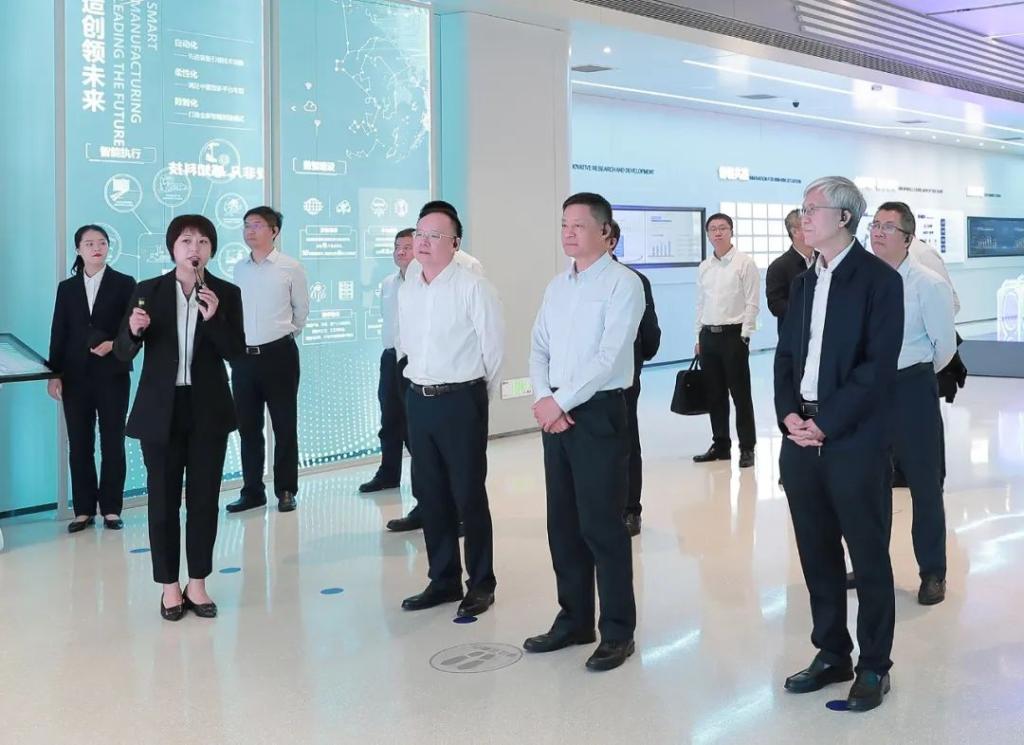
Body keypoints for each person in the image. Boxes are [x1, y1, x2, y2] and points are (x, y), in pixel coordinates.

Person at [775, 177, 903, 711]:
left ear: (844, 217)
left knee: (867, 555)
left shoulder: (879, 280)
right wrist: (788, 414)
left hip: (853, 439)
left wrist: (826, 423)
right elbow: (786, 355)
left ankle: (874, 665)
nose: (803, 217)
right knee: (816, 551)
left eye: (813, 209)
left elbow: (877, 368)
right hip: (800, 438)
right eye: (803, 209)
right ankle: (832, 653)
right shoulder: (805, 281)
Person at [525, 192, 644, 672]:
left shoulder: (623, 284)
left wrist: (561, 402)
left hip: (597, 413)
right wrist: (543, 398)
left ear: (605, 232)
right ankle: (574, 620)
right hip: (556, 412)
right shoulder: (557, 286)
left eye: (578, 225)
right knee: (563, 523)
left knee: (602, 525)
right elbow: (538, 346)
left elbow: (609, 358)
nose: (568, 233)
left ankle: (617, 631)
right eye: (563, 225)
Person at [114, 214, 245, 621]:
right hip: (161, 410)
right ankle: (169, 586)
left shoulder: (226, 293)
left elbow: (236, 352)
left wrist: (214, 318)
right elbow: (122, 352)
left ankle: (198, 583)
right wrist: (132, 331)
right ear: (173, 248)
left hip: (207, 408)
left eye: (203, 242)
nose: (195, 248)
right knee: (163, 501)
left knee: (204, 499)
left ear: (211, 250)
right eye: (187, 240)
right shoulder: (147, 291)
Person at [396, 201, 504, 618]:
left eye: (434, 236)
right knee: (430, 493)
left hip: (461, 400)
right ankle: (442, 579)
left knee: (468, 495)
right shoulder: (410, 284)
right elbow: (407, 340)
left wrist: (476, 397)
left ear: (455, 244)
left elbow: (494, 349)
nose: (422, 242)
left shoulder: (473, 287)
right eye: (419, 234)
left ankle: (481, 583)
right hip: (419, 397)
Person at [869, 201, 955, 606]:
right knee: (870, 484)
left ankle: (933, 572)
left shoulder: (928, 283)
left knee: (924, 484)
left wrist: (911, 373)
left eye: (888, 227)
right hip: (870, 390)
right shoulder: (862, 280)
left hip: (912, 387)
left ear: (907, 237)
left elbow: (944, 347)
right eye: (875, 225)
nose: (878, 232)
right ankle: (870, 565)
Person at [47, 224, 136, 532]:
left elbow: (133, 328)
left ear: (108, 247)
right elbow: (58, 332)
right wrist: (54, 374)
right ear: (78, 249)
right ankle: (83, 510)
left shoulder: (124, 283)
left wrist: (114, 344)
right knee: (80, 443)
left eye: (101, 243)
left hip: (112, 373)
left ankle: (111, 508)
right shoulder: (67, 288)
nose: (96, 248)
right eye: (89, 243)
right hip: (75, 376)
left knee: (113, 441)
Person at [226, 206, 309, 514]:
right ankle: (252, 491)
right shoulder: (239, 269)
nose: (250, 230)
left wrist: (283, 335)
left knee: (285, 424)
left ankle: (286, 489)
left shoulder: (290, 267)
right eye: (246, 225)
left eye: (257, 225)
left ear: (274, 231)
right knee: (248, 426)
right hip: (244, 357)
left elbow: (301, 310)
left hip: (279, 355)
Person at [361, 228, 424, 531]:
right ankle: (388, 474)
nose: (400, 252)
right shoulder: (388, 283)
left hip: (414, 360)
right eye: (397, 247)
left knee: (415, 428)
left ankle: (424, 497)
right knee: (389, 418)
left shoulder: (423, 281)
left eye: (407, 247)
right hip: (390, 356)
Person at [606, 219, 660, 537]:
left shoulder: (633, 280)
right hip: (580, 383)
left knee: (626, 440)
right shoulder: (568, 282)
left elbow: (649, 332)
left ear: (611, 240)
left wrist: (637, 362)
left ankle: (630, 509)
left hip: (623, 377)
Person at [692, 213, 759, 468]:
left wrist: (745, 335)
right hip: (708, 336)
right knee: (715, 394)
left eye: (723, 228)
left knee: (741, 395)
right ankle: (721, 445)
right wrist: (698, 336)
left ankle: (747, 447)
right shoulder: (704, 267)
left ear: (731, 231)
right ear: (708, 234)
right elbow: (700, 303)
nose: (718, 233)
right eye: (713, 229)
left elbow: (752, 302)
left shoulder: (744, 263)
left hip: (734, 336)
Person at [766, 209, 815, 334]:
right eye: (808, 225)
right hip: (795, 337)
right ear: (795, 232)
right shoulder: (778, 266)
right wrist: (808, 309)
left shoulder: (825, 260)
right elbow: (775, 305)